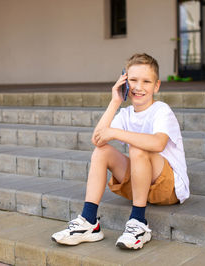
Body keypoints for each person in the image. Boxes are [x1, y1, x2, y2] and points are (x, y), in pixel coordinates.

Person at [51, 53, 189, 250]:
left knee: (138, 147)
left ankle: (138, 222)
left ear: (156, 86)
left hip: (169, 187)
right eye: (133, 80)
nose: (139, 87)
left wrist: (116, 132)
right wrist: (115, 101)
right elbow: (97, 139)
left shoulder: (161, 110)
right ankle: (89, 222)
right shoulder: (125, 113)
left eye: (146, 81)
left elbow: (158, 144)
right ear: (124, 82)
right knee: (101, 151)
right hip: (140, 184)